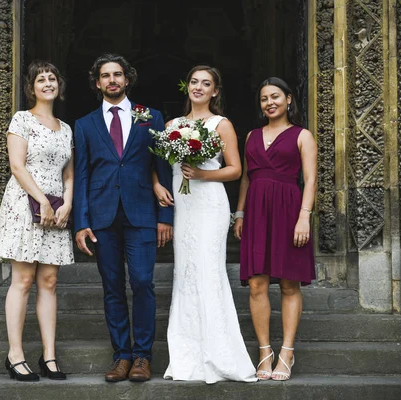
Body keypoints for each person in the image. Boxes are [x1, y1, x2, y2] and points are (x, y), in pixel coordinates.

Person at [73, 53, 174, 383]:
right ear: (98, 82)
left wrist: (165, 217)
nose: (112, 80)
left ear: (127, 79)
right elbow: (83, 175)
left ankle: (143, 356)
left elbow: (163, 169)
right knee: (112, 287)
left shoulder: (150, 117)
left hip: (142, 213)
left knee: (143, 282)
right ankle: (122, 356)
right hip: (102, 217)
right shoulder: (85, 124)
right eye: (105, 75)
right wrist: (81, 222)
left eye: (117, 74)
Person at [153, 66, 257, 384]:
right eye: (195, 82)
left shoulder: (221, 124)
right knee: (185, 273)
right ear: (187, 87)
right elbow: (156, 163)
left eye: (206, 83)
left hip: (210, 203)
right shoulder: (173, 126)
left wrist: (202, 174)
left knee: (209, 270)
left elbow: (236, 170)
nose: (199, 87)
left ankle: (219, 353)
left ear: (215, 91)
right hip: (183, 206)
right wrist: (159, 184)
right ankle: (187, 354)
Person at [0, 60, 74, 382]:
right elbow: (17, 165)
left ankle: (49, 356)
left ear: (59, 86)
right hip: (26, 204)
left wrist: (67, 202)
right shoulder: (21, 119)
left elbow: (69, 171)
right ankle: (15, 355)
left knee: (49, 282)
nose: (48, 84)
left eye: (52, 78)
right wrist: (42, 201)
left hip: (57, 206)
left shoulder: (65, 128)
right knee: (23, 281)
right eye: (42, 80)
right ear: (32, 87)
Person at [233, 77, 317, 381]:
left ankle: (287, 353)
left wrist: (304, 217)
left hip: (289, 211)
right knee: (256, 283)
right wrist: (240, 214)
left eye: (275, 97)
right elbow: (245, 178)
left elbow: (310, 180)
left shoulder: (302, 135)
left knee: (288, 284)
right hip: (256, 212)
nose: (270, 103)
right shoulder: (251, 136)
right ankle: (265, 352)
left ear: (289, 99)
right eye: (264, 98)